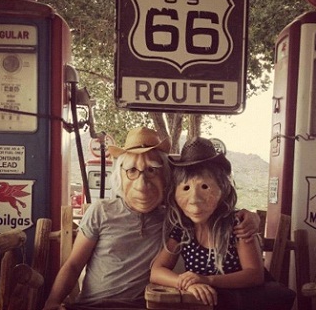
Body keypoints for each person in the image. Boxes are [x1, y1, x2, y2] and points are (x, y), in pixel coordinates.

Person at [42, 127, 260, 310]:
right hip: (93, 305)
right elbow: (73, 265)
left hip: (142, 305)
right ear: (120, 175)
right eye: (132, 171)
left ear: (165, 177)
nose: (142, 183)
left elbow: (211, 210)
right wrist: (52, 302)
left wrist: (249, 217)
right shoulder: (102, 211)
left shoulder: (173, 218)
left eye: (152, 171)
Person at [150, 137, 296, 310]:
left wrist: (207, 280)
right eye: (186, 189)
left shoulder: (237, 225)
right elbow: (156, 271)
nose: (195, 200)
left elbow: (254, 274)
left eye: (205, 187)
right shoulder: (183, 229)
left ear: (223, 189)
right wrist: (187, 283)